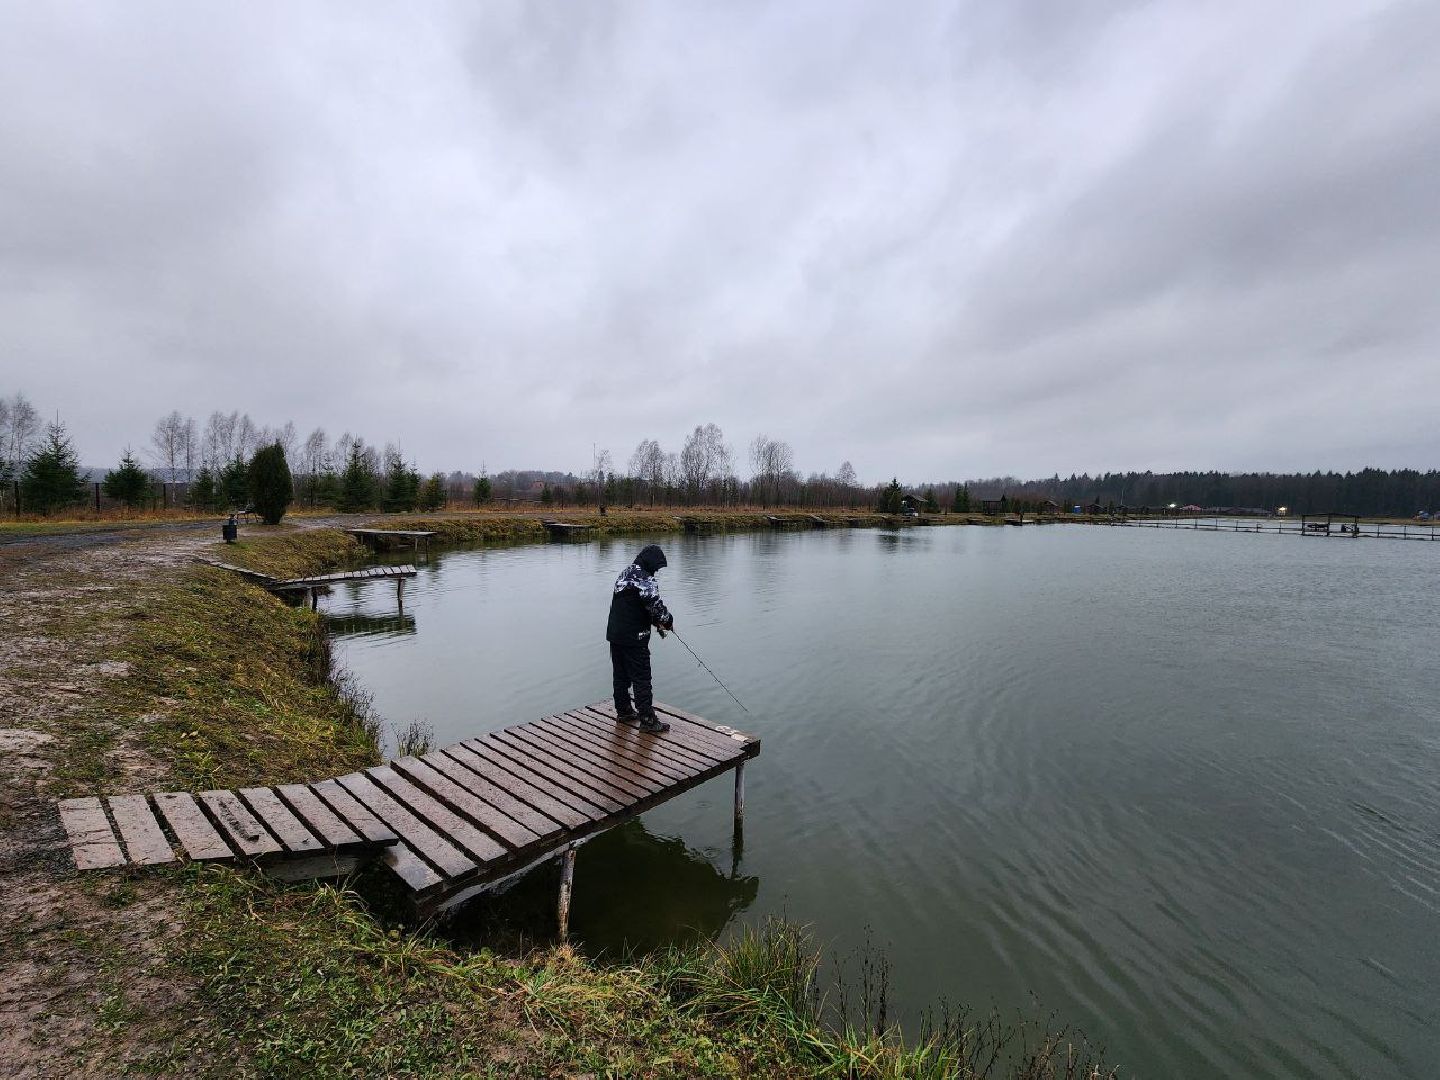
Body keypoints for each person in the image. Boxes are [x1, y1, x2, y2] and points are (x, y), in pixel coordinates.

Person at [606, 544, 674, 733]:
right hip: (634, 638)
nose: (657, 571)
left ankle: (625, 711)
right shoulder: (645, 579)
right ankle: (648, 720)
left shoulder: (625, 573)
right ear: (651, 563)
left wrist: (655, 622)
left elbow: (635, 605)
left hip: (615, 634)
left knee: (620, 676)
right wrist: (668, 622)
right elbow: (657, 609)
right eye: (657, 567)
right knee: (642, 678)